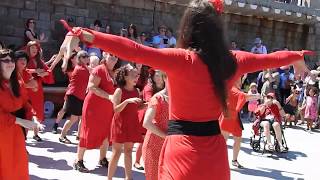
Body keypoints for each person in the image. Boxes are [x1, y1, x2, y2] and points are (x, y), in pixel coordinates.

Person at [59, 0, 312, 178]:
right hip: (214, 154)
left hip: (182, 151)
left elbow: (134, 49)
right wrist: (297, 55)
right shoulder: (232, 60)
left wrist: (83, 34)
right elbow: (272, 58)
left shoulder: (181, 59)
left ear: (187, 27)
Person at [0, 49, 42, 180]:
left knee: (18, 163)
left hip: (15, 131)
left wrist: (33, 115)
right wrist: (20, 121)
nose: (11, 63)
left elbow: (25, 102)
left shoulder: (17, 80)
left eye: (12, 60)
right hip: (2, 130)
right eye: (6, 60)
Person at [73, 52, 118, 173]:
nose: (113, 58)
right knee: (88, 131)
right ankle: (78, 160)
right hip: (94, 106)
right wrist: (108, 96)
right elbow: (92, 86)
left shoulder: (113, 72)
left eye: (116, 56)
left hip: (107, 108)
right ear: (105, 56)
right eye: (111, 55)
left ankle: (102, 158)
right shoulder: (99, 69)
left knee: (106, 133)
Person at [108, 64, 145, 180]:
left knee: (129, 151)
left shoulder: (136, 91)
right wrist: (127, 101)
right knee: (116, 153)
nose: (136, 77)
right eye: (133, 74)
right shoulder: (119, 90)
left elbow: (136, 108)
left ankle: (129, 178)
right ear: (125, 77)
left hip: (132, 123)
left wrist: (148, 105)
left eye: (136, 74)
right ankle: (109, 178)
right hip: (120, 124)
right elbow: (115, 109)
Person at [219, 79, 261, 168]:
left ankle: (234, 160)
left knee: (238, 139)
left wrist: (256, 96)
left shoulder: (236, 88)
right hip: (228, 115)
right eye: (238, 79)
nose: (240, 81)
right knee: (223, 141)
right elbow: (244, 96)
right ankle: (217, 161)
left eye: (240, 79)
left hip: (235, 116)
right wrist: (256, 96)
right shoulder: (232, 88)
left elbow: (244, 96)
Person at [59, 51, 90, 144]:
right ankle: (62, 136)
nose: (86, 58)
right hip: (74, 95)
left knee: (81, 117)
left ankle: (79, 136)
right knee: (73, 118)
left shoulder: (83, 67)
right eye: (84, 57)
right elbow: (92, 75)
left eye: (87, 56)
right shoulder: (81, 69)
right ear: (80, 59)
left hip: (79, 96)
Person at [25, 41, 54, 141]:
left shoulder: (39, 61)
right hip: (27, 88)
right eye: (32, 48)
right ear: (28, 49)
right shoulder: (24, 59)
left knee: (37, 110)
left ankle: (35, 134)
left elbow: (48, 71)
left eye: (35, 48)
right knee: (27, 112)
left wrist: (45, 74)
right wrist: (35, 71)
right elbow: (22, 70)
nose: (34, 49)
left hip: (38, 90)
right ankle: (24, 134)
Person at [142, 83, 169, 180]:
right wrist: (166, 137)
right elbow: (146, 123)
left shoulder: (178, 98)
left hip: (169, 145)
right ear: (165, 79)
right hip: (154, 145)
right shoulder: (158, 98)